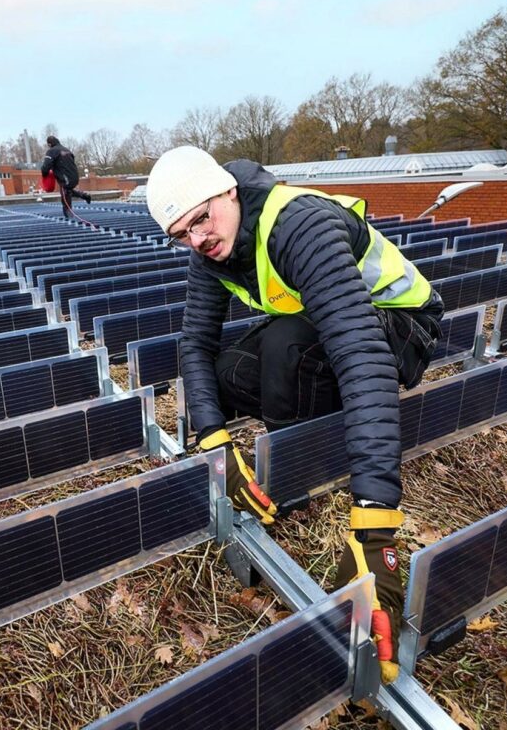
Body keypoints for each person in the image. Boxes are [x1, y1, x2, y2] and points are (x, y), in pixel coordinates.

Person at [145, 145, 444, 684]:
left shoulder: (298, 225)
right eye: (182, 234)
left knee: (284, 350)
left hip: (400, 328)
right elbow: (193, 344)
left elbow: (361, 354)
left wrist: (376, 521)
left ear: (227, 191)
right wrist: (214, 442)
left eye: (202, 220)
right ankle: (309, 413)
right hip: (323, 322)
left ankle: (305, 456)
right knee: (228, 371)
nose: (197, 239)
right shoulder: (210, 247)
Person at [41, 135, 91, 218]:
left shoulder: (52, 151)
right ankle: (84, 195)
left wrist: (45, 176)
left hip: (65, 179)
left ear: (49, 144)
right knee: (68, 191)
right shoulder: (67, 150)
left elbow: (46, 167)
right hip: (74, 176)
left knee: (65, 198)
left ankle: (70, 217)